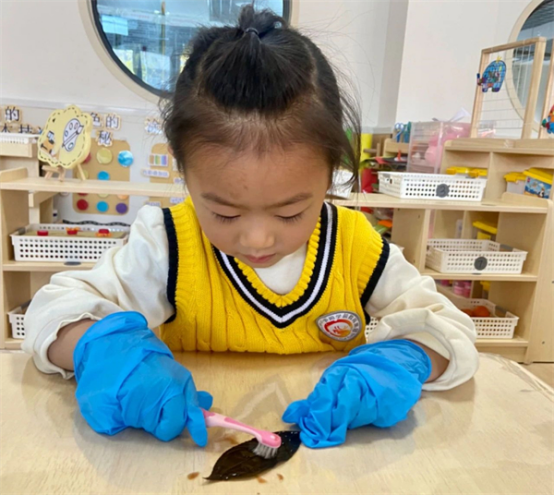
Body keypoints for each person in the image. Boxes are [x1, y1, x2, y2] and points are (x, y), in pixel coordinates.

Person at [23, 6, 478, 449]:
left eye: (289, 213)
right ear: (184, 171)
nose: (258, 239)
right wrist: (100, 351)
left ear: (330, 174)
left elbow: (449, 330)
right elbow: (52, 313)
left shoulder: (354, 244)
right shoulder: (167, 243)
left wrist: (407, 358)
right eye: (224, 213)